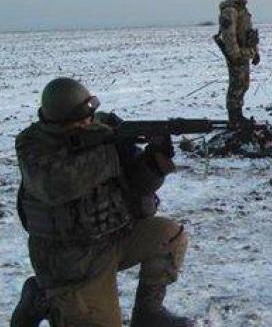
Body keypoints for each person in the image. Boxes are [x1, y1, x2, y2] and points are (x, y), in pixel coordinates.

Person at [11, 78, 192, 327]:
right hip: (71, 262)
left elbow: (137, 186)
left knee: (169, 235)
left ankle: (149, 314)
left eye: (89, 116)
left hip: (112, 238)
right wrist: (113, 153)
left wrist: (153, 164)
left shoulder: (103, 130)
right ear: (58, 121)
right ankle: (43, 298)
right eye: (80, 120)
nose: (88, 123)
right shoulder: (34, 146)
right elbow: (57, 184)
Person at [215, 0, 259, 128]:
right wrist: (234, 55)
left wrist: (255, 52)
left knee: (243, 84)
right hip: (237, 54)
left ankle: (238, 115)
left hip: (245, 53)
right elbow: (229, 35)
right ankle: (234, 118)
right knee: (236, 86)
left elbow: (249, 33)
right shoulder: (230, 10)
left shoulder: (242, 9)